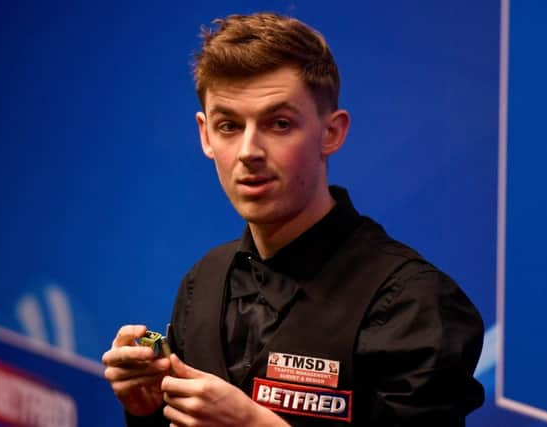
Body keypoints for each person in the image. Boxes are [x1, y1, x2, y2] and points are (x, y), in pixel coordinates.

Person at [102, 12, 485, 426]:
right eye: (229, 125)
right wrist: (147, 410)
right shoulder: (204, 281)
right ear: (205, 135)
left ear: (331, 133)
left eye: (279, 124)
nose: (249, 150)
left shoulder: (415, 304)